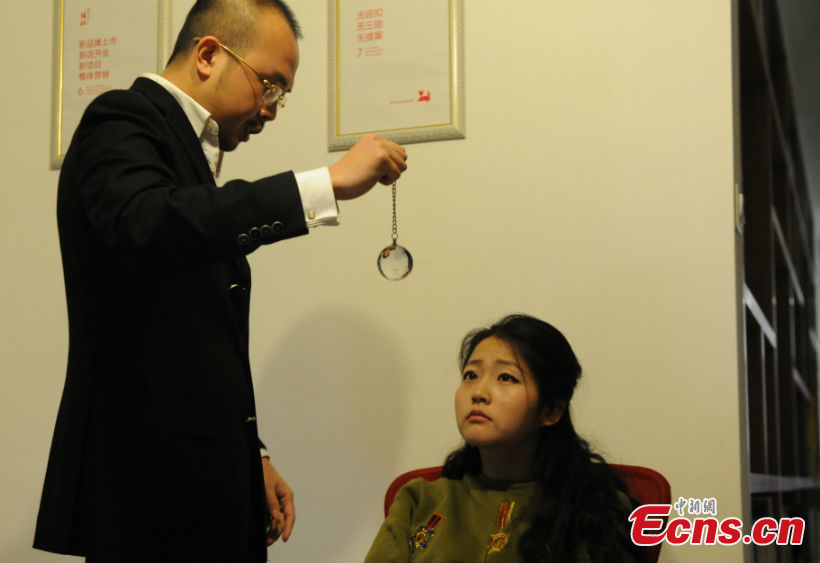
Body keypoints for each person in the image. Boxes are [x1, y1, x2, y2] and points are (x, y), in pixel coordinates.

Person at [33, 0, 407, 561]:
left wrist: (250, 452)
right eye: (269, 85)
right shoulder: (121, 117)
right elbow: (148, 225)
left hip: (197, 483)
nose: (271, 110)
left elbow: (191, 339)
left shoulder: (185, 155)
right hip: (146, 493)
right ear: (208, 55)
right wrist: (323, 185)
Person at [365, 314, 643, 562]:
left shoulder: (595, 510)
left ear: (551, 411)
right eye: (471, 375)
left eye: (506, 378)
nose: (479, 392)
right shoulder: (420, 500)